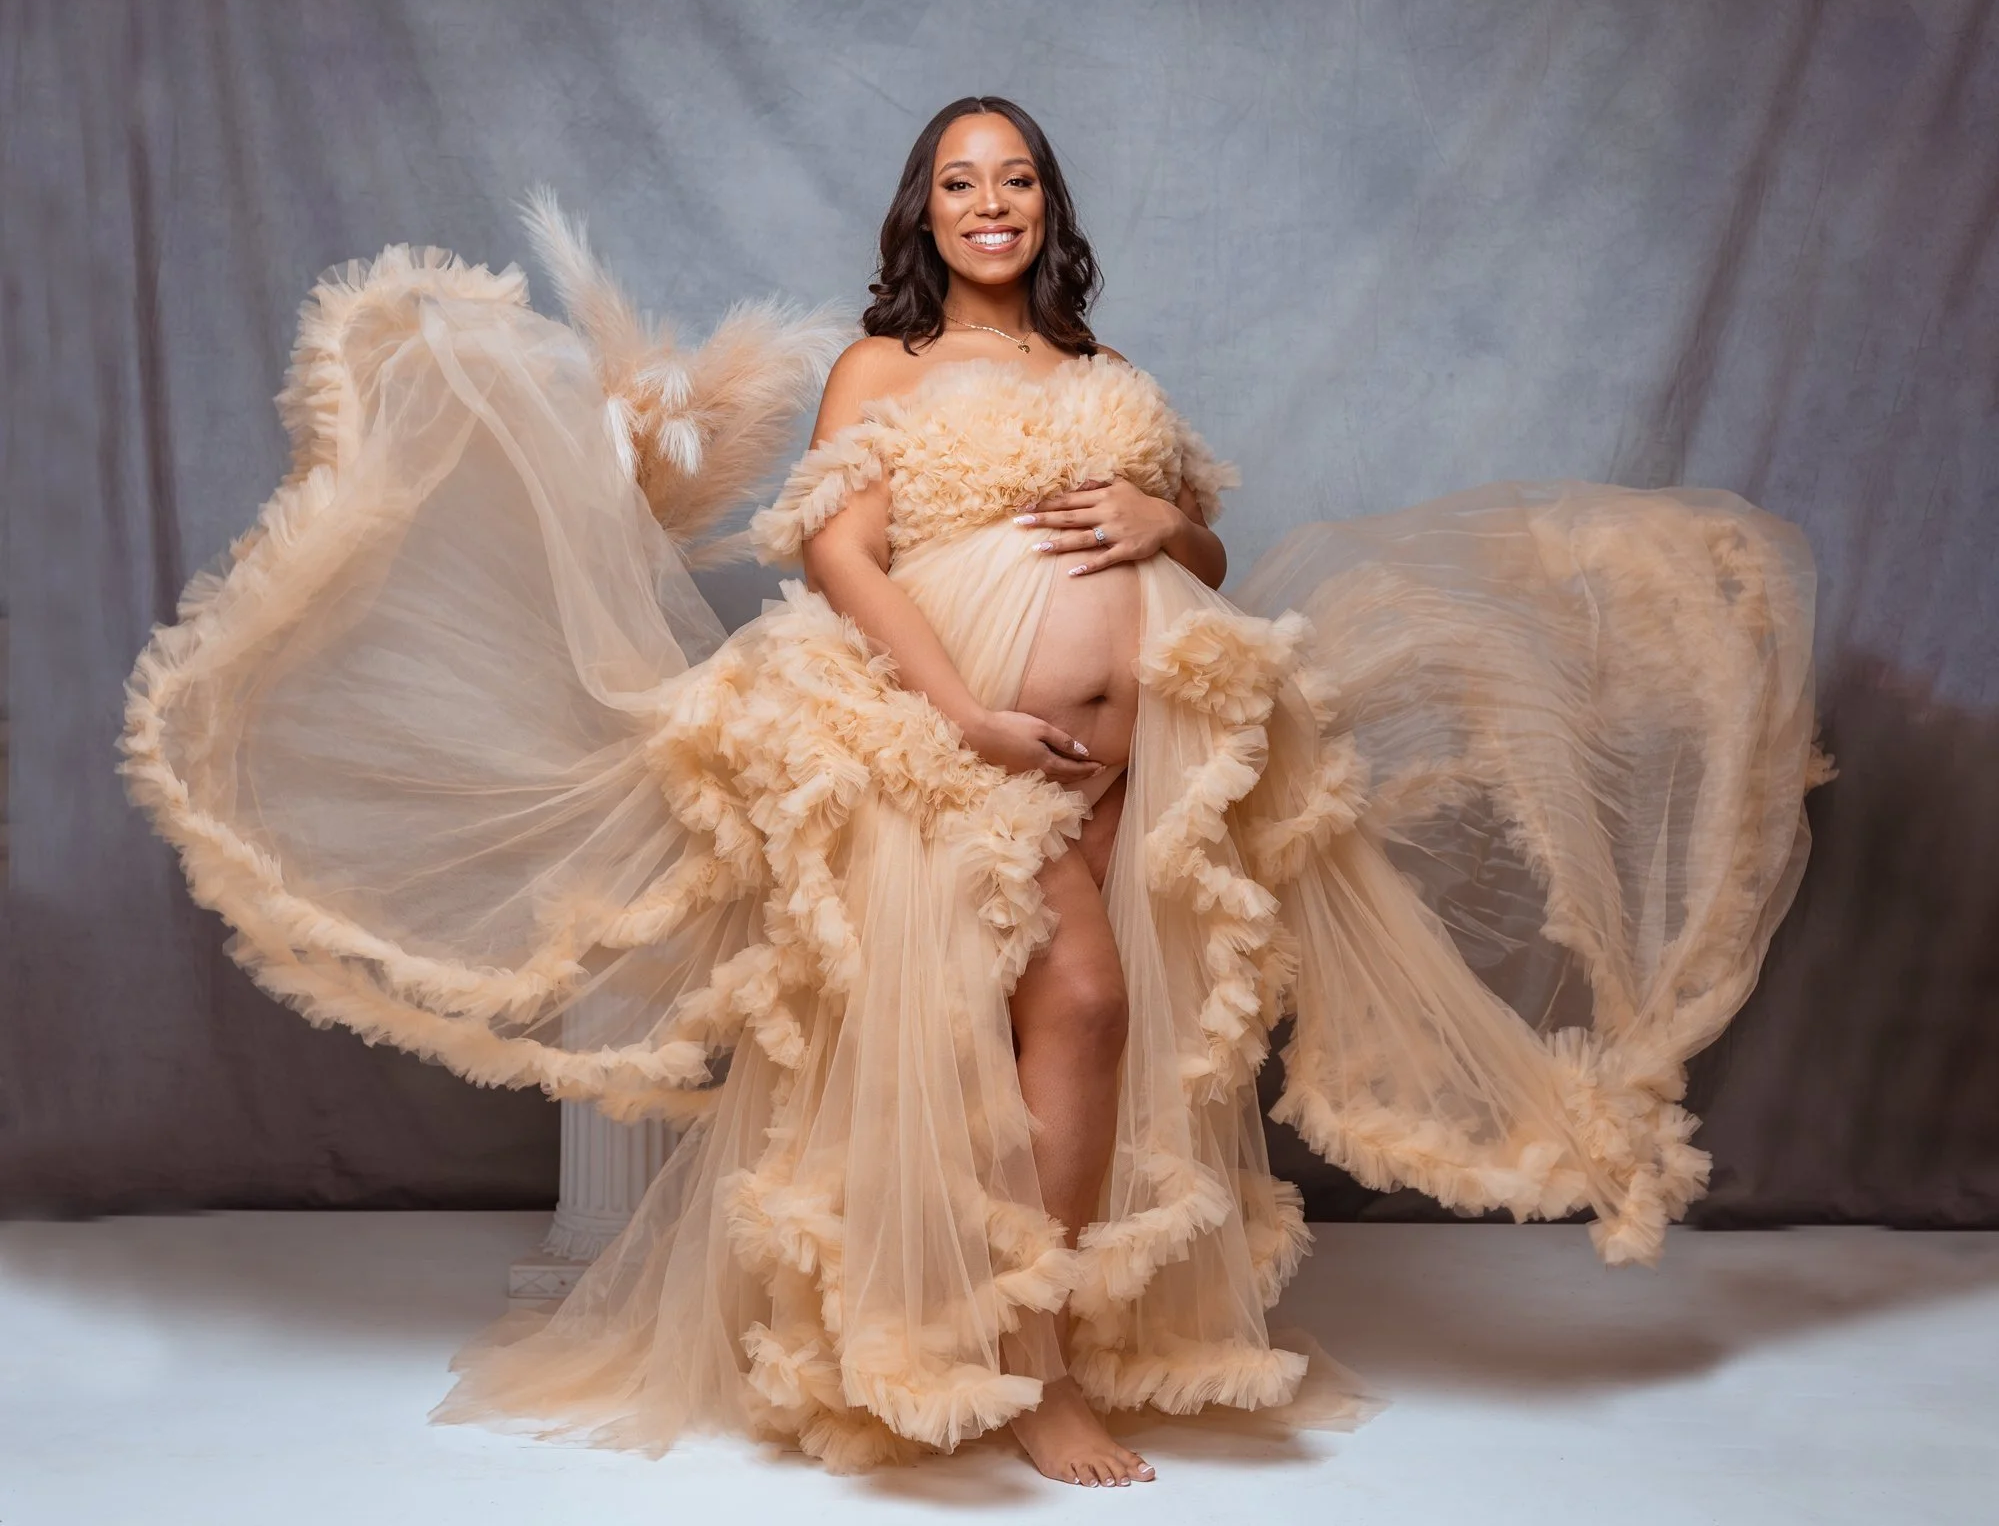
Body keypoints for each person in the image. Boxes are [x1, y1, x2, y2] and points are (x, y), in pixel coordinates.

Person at [120, 95, 1828, 1488]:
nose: (988, 203)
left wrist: (1171, 527)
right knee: (1078, 997)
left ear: (1046, 208)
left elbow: (1194, 557)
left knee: (1095, 1019)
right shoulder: (889, 367)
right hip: (945, 733)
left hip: (1142, 751)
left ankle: (1028, 1324)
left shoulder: (1103, 369)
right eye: (958, 181)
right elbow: (844, 555)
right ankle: (1031, 1362)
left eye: (1013, 180)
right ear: (922, 215)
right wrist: (964, 714)